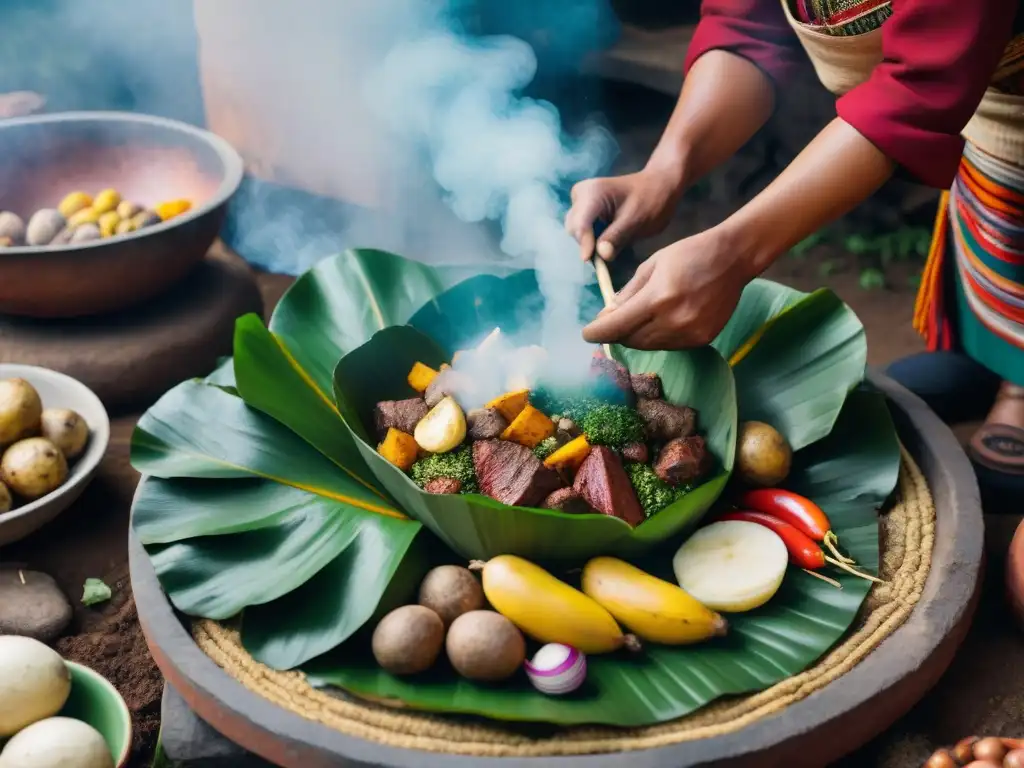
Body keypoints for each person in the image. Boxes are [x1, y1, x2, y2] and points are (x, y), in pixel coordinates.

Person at [566, 0, 1024, 478]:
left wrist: (733, 254)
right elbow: (747, 28)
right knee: (996, 227)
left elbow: (913, 92)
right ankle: (990, 364)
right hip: (974, 88)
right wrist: (663, 172)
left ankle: (1019, 388)